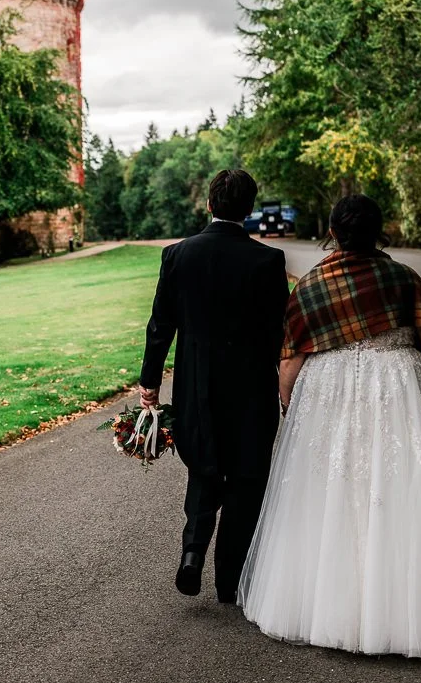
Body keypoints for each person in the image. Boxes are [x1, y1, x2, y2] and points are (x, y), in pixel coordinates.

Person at [238, 195, 421, 658]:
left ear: (333, 231)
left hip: (331, 393)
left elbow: (291, 359)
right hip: (399, 389)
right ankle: (401, 617)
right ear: (378, 230)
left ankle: (331, 610)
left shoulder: (312, 284)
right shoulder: (403, 277)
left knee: (333, 494)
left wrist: (290, 404)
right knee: (398, 494)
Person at [138, 169, 289, 603]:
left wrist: (150, 383)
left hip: (197, 387)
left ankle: (191, 554)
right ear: (250, 210)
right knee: (245, 476)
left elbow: (159, 327)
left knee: (204, 467)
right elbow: (279, 334)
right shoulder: (267, 261)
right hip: (250, 388)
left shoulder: (177, 255)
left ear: (208, 204)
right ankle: (230, 580)